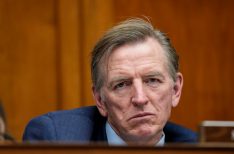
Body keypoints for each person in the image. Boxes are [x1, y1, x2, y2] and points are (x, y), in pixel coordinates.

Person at [23, 18, 198, 145]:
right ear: (100, 100)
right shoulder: (57, 139)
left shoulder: (200, 152)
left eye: (152, 80)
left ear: (175, 90)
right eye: (121, 84)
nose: (140, 98)